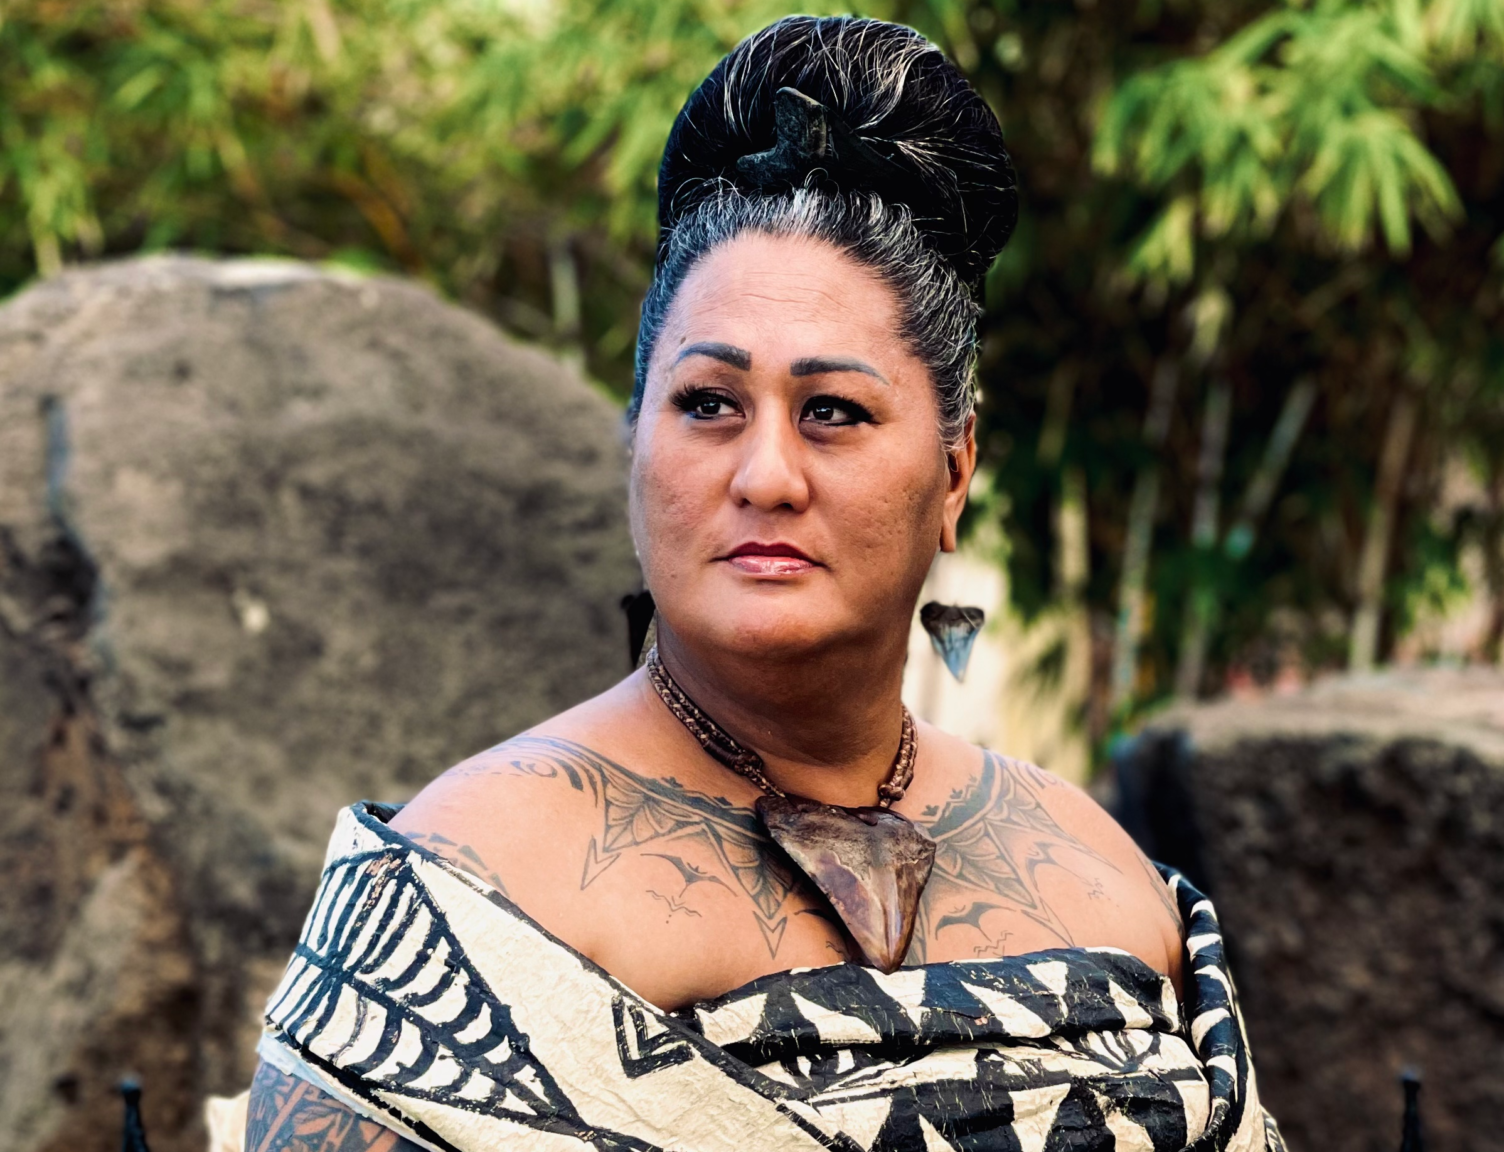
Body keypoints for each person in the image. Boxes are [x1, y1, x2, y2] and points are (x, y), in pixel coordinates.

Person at [242, 16, 1284, 1152]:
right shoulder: (471, 887)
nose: (766, 475)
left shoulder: (1097, 872)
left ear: (954, 472)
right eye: (708, 404)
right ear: (636, 441)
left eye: (832, 411)